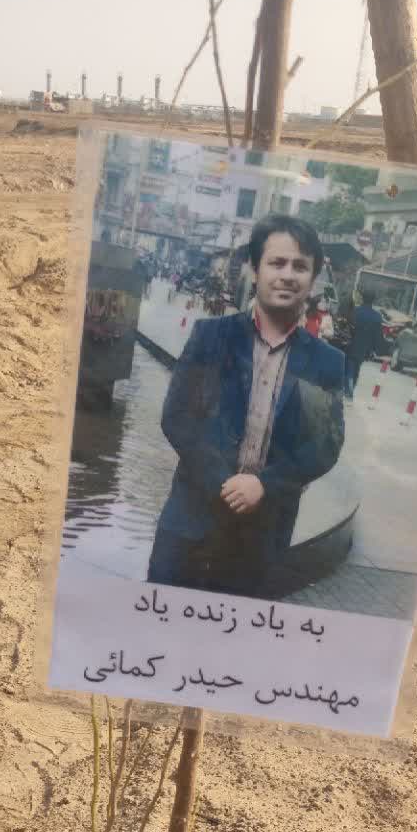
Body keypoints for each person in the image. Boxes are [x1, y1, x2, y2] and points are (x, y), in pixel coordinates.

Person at [147, 215, 345, 599]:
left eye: (300, 266)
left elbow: (325, 445)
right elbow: (178, 418)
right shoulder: (212, 337)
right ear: (255, 269)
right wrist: (227, 485)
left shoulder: (326, 362)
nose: (287, 275)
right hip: (189, 525)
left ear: (312, 279)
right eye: (277, 263)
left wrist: (263, 485)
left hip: (261, 539)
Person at [345, 289, 385, 399]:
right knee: (356, 369)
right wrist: (375, 350)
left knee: (349, 368)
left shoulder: (355, 311)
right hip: (364, 349)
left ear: (362, 298)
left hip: (351, 344)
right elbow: (377, 336)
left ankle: (348, 390)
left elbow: (348, 327)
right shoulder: (377, 316)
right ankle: (350, 389)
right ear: (373, 300)